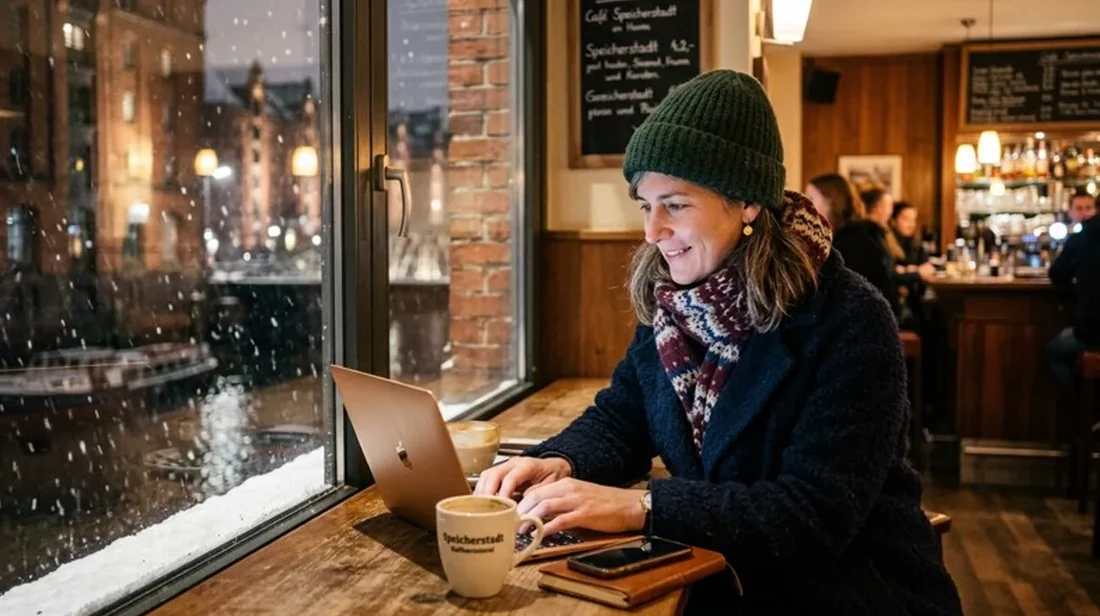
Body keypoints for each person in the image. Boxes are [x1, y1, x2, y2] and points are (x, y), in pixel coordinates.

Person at [475, 70, 961, 615]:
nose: (651, 231)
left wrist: (641, 506)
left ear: (748, 203)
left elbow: (813, 515)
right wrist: (558, 462)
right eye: (645, 204)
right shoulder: (676, 301)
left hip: (851, 590)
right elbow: (622, 418)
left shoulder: (850, 319)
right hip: (728, 577)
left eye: (675, 204)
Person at [1046, 194, 1100, 396]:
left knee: (1054, 354)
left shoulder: (1081, 238)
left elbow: (1058, 276)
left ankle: (1074, 412)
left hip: (1091, 331)